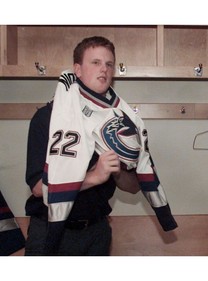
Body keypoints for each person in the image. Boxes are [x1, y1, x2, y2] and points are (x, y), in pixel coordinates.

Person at [25, 36, 177, 255]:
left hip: (97, 231)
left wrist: (116, 173)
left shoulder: (120, 121)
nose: (104, 69)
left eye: (109, 64)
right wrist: (95, 175)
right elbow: (39, 188)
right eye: (95, 62)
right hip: (51, 231)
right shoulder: (49, 117)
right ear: (77, 69)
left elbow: (134, 186)